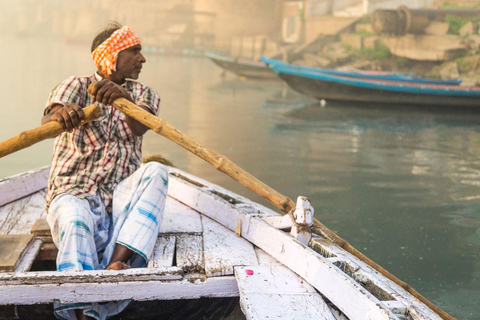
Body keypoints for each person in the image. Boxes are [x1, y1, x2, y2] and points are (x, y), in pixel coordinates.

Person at [41, 22, 168, 320]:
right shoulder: (76, 84)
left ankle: (115, 264)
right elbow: (48, 121)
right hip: (73, 192)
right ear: (112, 55)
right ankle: (85, 311)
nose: (142, 58)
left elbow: (140, 126)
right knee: (74, 218)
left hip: (118, 202)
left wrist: (123, 99)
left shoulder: (144, 93)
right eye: (135, 51)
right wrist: (61, 114)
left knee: (157, 171)